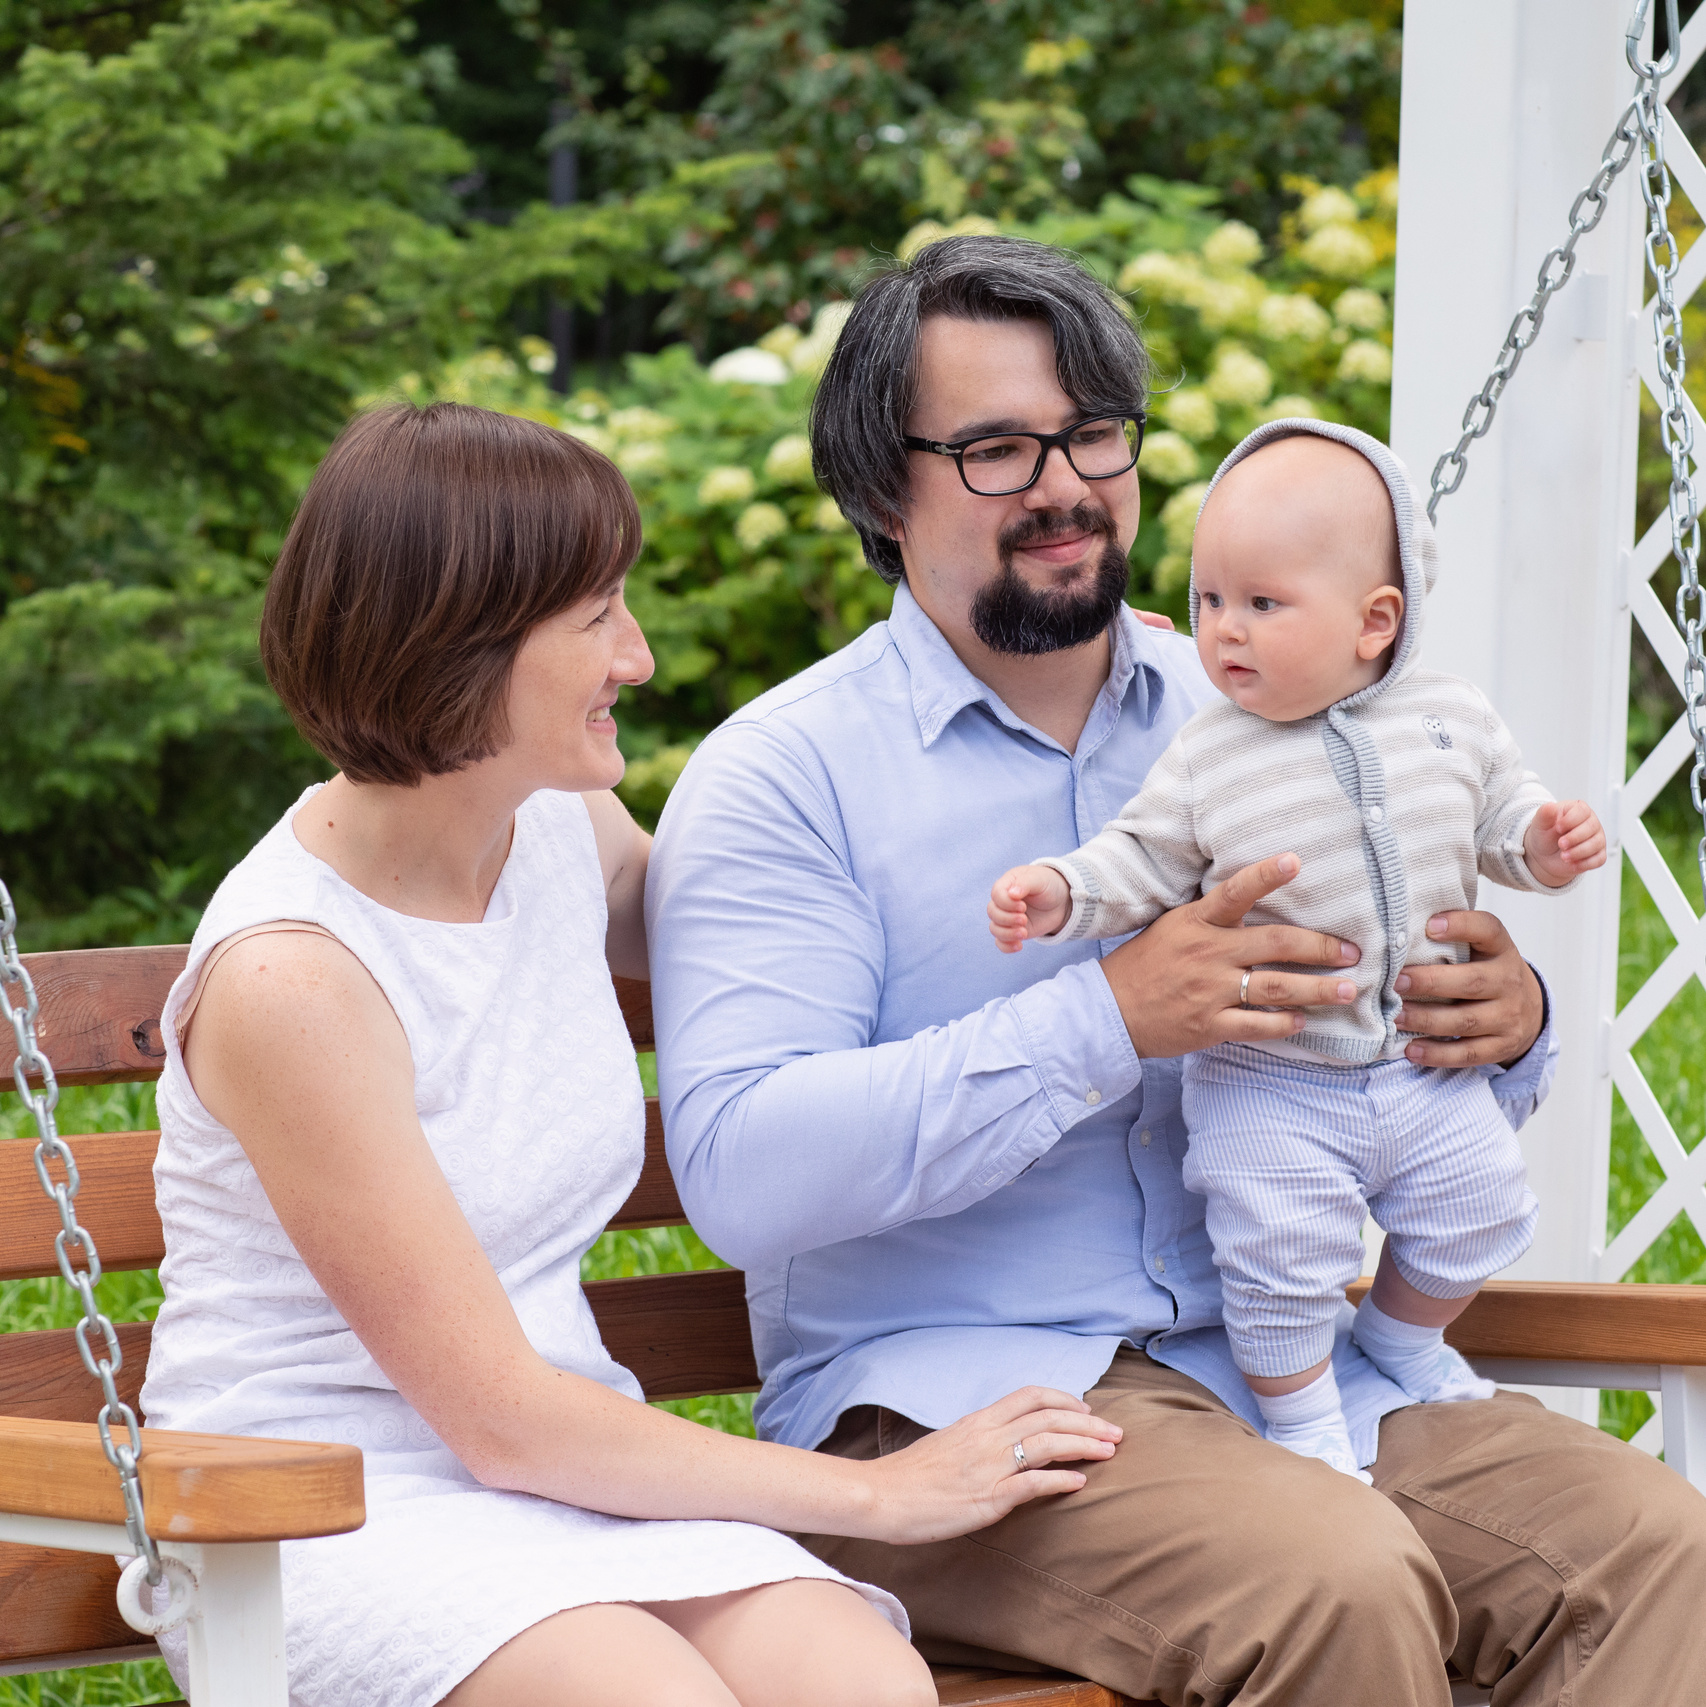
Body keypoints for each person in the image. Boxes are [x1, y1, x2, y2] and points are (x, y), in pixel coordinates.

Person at [646, 234, 1706, 1704]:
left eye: (1093, 434)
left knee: (1656, 1543)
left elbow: (1405, 1044)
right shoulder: (785, 776)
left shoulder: (1260, 701)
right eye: (999, 448)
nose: (1066, 485)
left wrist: (1500, 1017)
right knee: (1332, 1578)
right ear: (881, 488)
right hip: (954, 1416)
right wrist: (1104, 1014)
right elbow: (742, 1169)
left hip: (1281, 1364)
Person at [137, 400, 1123, 1707]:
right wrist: (882, 1491)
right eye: (597, 614)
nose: (640, 655)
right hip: (309, 1510)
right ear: (463, 641)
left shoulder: (556, 822)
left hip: (553, 1484)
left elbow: (785, 938)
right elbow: (499, 1420)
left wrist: (1079, 730)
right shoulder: (293, 977)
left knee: (862, 1682)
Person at [987, 419, 1607, 1482]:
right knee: (1276, 1259)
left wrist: (1543, 848)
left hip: (1415, 1068)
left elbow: (1503, 816)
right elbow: (1137, 854)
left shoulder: (1451, 718)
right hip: (1272, 1079)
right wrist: (1059, 891)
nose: (1222, 632)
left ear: (1374, 623)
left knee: (1481, 1206)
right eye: (1209, 601)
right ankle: (1305, 1413)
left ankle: (1403, 1341)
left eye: (1261, 606)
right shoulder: (1208, 753)